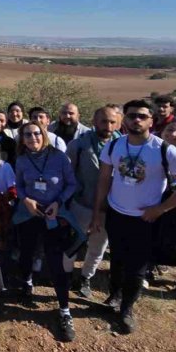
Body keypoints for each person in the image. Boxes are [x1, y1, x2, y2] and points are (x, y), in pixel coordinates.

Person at [91, 100, 176, 334]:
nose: (135, 120)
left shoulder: (164, 149)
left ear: (152, 120)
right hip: (117, 213)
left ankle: (127, 309)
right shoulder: (114, 146)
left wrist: (160, 209)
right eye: (131, 116)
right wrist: (98, 212)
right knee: (117, 260)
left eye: (141, 116)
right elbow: (104, 180)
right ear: (124, 120)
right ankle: (114, 297)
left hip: (146, 219)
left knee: (137, 266)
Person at [14, 122, 78, 341]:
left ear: (44, 135)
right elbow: (19, 185)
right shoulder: (22, 160)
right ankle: (27, 283)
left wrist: (59, 202)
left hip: (54, 214)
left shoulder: (59, 157)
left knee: (55, 261)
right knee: (27, 251)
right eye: (27, 135)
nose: (33, 138)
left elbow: (72, 184)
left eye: (36, 133)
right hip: (30, 213)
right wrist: (26, 200)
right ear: (22, 139)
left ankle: (64, 310)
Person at [66, 105, 122, 299]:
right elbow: (68, 175)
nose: (108, 125)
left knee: (98, 245)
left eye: (112, 122)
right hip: (81, 204)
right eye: (104, 121)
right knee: (72, 242)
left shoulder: (124, 147)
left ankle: (85, 277)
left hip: (110, 207)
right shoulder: (78, 146)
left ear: (118, 123)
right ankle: (66, 274)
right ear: (94, 122)